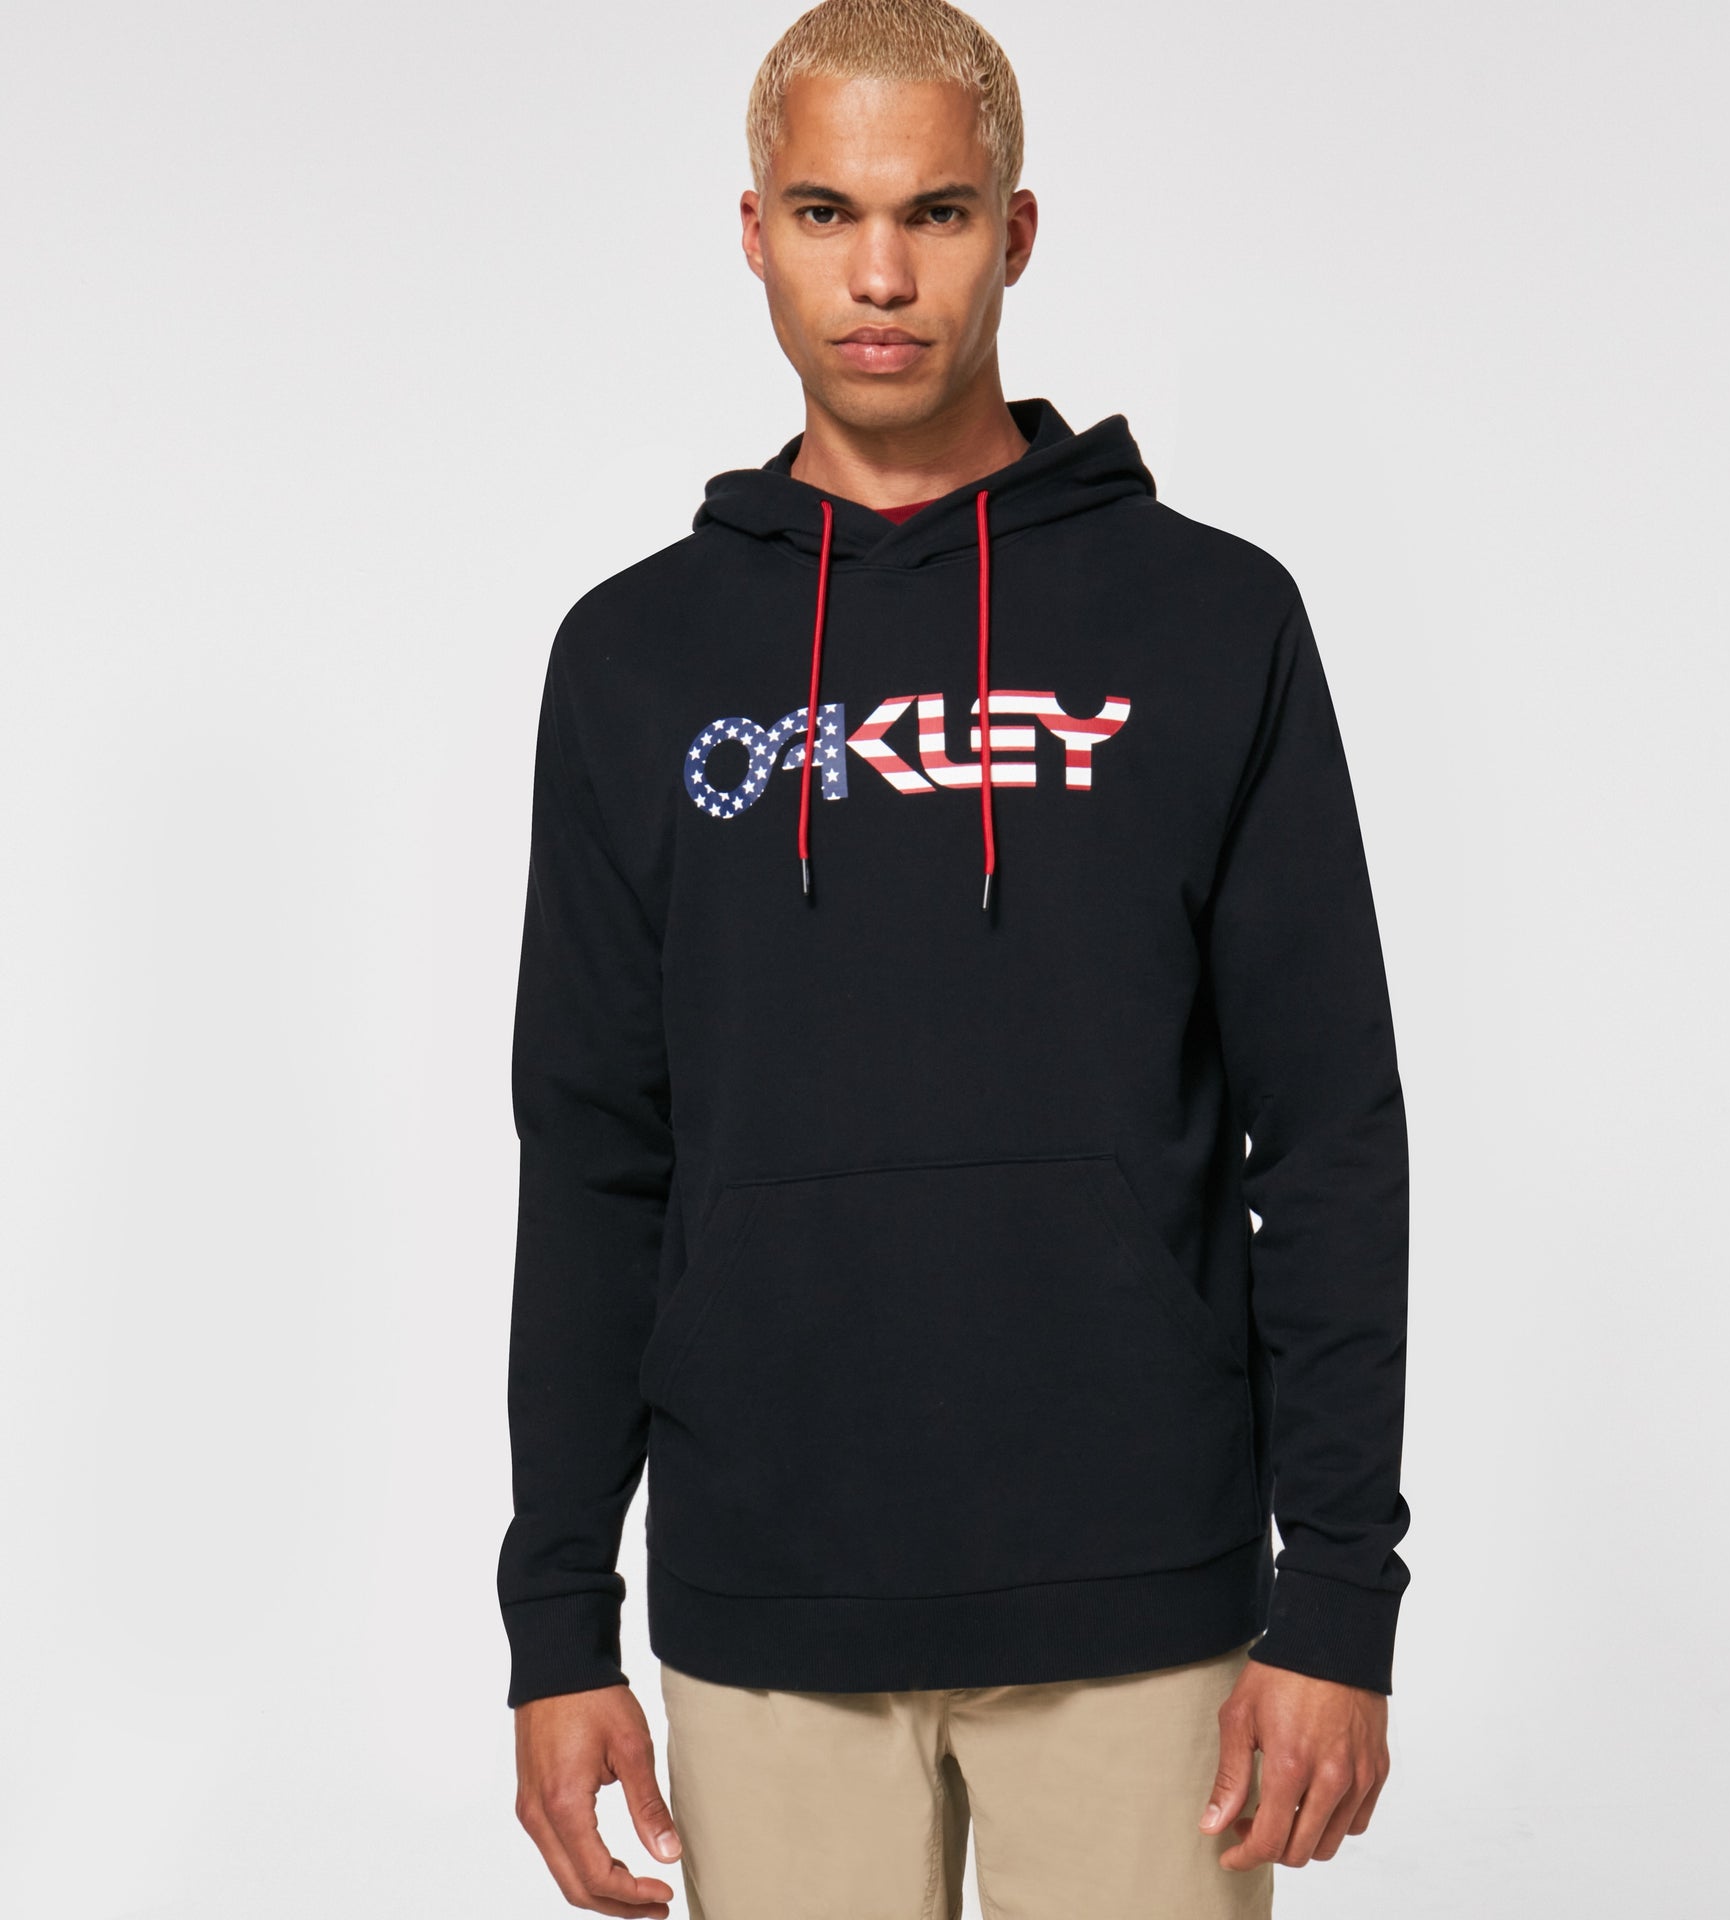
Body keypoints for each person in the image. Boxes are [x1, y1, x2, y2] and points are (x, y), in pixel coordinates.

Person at [497, 2, 1411, 1914]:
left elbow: (1328, 1132)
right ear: (754, 230)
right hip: (768, 1597)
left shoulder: (1209, 618)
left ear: (1017, 230)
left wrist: (1337, 1590)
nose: (883, 277)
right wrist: (557, 1624)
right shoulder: (636, 659)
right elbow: (592, 1155)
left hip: (1145, 1596)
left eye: (938, 212)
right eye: (826, 213)